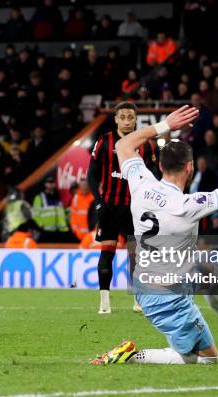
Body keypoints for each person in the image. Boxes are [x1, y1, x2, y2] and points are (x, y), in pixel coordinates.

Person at [91, 107, 218, 365]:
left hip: (147, 282)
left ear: (160, 166)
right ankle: (132, 356)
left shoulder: (142, 183)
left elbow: (124, 145)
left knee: (206, 267)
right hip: (166, 298)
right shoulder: (188, 205)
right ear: (189, 168)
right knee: (208, 358)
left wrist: (165, 124)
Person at [87, 102, 159, 314]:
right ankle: (104, 304)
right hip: (109, 208)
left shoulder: (147, 144)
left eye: (130, 117)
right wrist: (99, 202)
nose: (127, 121)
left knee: (135, 256)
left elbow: (154, 175)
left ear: (136, 119)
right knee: (106, 254)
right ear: (116, 119)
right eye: (123, 117)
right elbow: (91, 175)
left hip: (135, 209)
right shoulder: (104, 142)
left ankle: (138, 301)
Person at [32, 177, 69, 242]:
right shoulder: (39, 198)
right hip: (46, 232)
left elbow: (62, 212)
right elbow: (35, 215)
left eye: (52, 182)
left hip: (60, 231)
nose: (51, 184)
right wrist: (41, 226)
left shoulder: (58, 197)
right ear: (45, 184)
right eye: (49, 182)